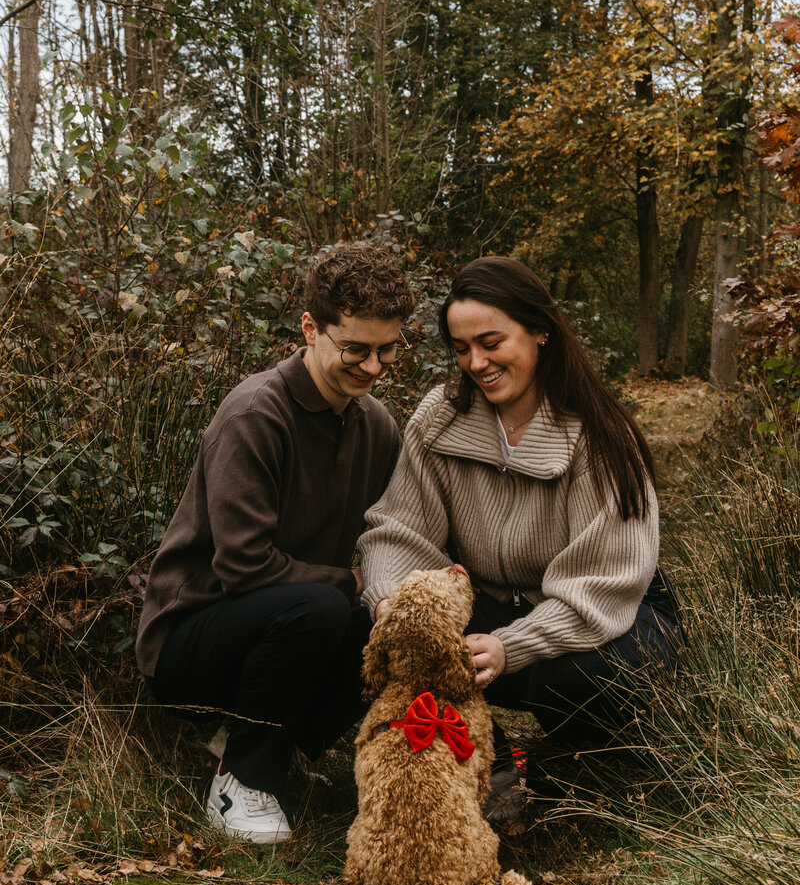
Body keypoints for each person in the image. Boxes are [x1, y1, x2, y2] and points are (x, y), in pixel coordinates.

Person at [359, 256, 682, 807]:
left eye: (491, 341)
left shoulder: (600, 436)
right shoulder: (441, 416)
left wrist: (511, 646)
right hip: (491, 603)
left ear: (539, 331)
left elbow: (602, 583)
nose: (476, 363)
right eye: (461, 348)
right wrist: (401, 609)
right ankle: (491, 757)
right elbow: (397, 531)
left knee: (581, 676)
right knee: (369, 629)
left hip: (609, 614)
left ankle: (597, 763)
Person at [136, 244, 415, 844]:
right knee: (324, 605)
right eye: (355, 350)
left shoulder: (379, 426)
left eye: (387, 349)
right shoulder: (255, 414)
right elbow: (242, 565)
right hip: (191, 636)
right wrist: (352, 584)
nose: (373, 367)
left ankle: (269, 738)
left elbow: (397, 533)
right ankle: (243, 780)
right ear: (311, 329)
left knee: (392, 617)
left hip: (284, 627)